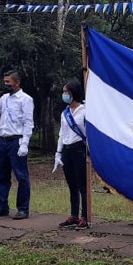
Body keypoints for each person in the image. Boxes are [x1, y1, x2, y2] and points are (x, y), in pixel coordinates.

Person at [0, 70, 35, 220]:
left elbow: (28, 122)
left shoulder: (25, 99)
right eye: (5, 82)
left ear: (16, 83)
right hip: (2, 140)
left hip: (16, 141)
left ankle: (23, 208)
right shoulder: (4, 98)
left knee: (21, 175)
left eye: (8, 82)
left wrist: (25, 143)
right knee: (2, 175)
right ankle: (2, 206)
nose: (6, 85)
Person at [53, 79, 89, 230]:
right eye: (63, 92)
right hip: (67, 150)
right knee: (72, 184)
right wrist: (58, 153)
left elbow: (89, 133)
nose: (64, 95)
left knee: (82, 185)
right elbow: (62, 133)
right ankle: (74, 215)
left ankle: (85, 216)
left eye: (66, 92)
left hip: (79, 149)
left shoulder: (85, 110)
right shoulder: (65, 113)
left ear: (73, 93)